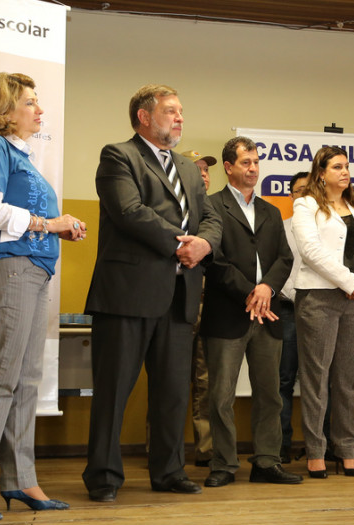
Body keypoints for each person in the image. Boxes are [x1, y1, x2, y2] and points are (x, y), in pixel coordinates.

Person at [83, 84, 221, 503]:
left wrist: (206, 244)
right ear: (144, 117)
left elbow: (211, 217)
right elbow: (130, 213)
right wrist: (182, 242)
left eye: (181, 112)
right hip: (127, 293)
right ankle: (104, 477)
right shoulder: (118, 156)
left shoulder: (186, 166)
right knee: (114, 389)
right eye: (170, 111)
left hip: (180, 295)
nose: (180, 118)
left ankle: (168, 470)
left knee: (174, 391)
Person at [0, 72, 87, 520]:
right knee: (0, 378)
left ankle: (21, 480)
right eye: (30, 102)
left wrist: (59, 227)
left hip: (33, 271)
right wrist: (48, 224)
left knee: (27, 379)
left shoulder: (22, 156)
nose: (39, 110)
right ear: (4, 109)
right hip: (8, 270)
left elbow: (24, 214)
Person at [200, 136, 302, 487]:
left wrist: (266, 289)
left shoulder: (271, 211)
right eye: (246, 162)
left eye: (256, 162)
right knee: (221, 396)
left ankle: (266, 462)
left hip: (267, 315)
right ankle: (224, 465)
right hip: (228, 313)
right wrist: (250, 292)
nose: (253, 168)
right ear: (229, 167)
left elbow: (285, 258)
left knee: (270, 394)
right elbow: (214, 260)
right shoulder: (211, 206)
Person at [293, 146, 354, 478]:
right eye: (337, 167)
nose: (345, 172)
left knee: (348, 378)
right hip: (319, 297)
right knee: (316, 378)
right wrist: (348, 281)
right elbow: (310, 250)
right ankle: (316, 450)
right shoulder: (306, 204)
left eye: (347, 166)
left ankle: (345, 448)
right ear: (321, 173)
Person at [181, 149, 217, 466]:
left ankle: (205, 449)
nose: (203, 174)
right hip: (175, 303)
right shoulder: (170, 207)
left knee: (206, 381)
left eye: (206, 170)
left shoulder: (217, 210)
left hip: (211, 304)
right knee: (171, 378)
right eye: (197, 169)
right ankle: (162, 448)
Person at [278, 171, 307, 463]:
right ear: (291, 196)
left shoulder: (331, 228)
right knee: (283, 381)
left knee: (322, 382)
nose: (304, 196)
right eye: (299, 191)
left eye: (310, 191)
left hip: (320, 312)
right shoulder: (280, 228)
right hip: (287, 309)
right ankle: (281, 446)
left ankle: (322, 447)